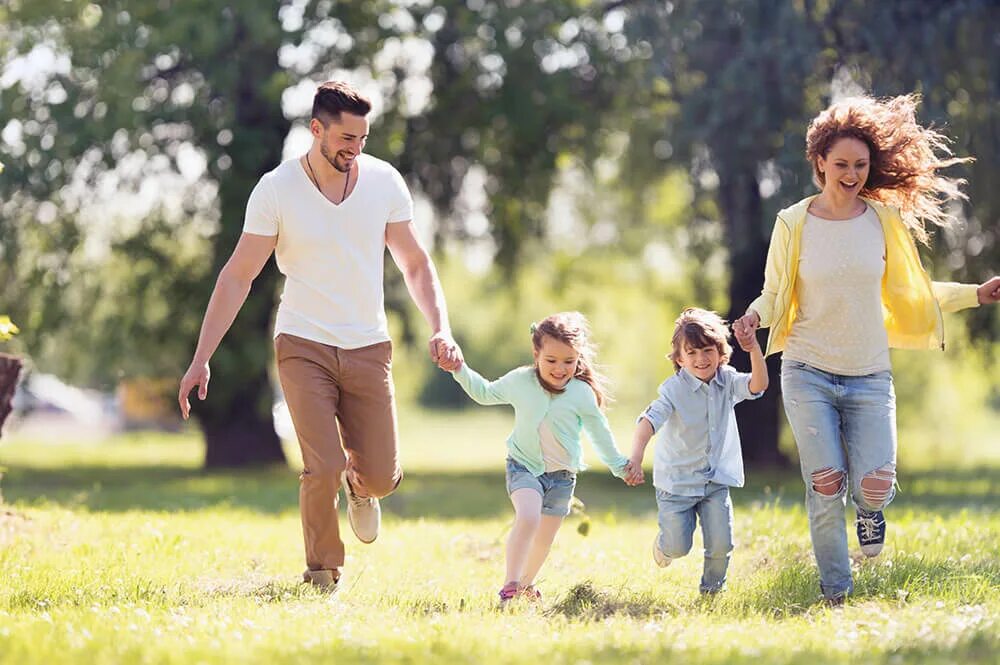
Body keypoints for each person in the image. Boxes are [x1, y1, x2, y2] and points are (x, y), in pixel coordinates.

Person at [177, 81, 462, 591]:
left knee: (379, 476)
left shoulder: (384, 183)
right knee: (321, 465)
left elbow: (416, 264)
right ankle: (322, 572)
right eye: (347, 138)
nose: (356, 149)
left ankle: (362, 485)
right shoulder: (276, 190)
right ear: (316, 129)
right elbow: (238, 275)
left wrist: (440, 326)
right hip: (302, 343)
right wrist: (201, 358)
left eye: (363, 139)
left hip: (368, 345)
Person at [733, 94, 1000, 603]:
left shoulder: (882, 221)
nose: (851, 173)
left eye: (860, 164)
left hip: (869, 374)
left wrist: (974, 294)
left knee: (873, 487)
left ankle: (871, 513)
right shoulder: (793, 222)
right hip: (807, 369)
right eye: (841, 164)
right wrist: (752, 319)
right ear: (819, 164)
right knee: (826, 483)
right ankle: (836, 592)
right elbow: (773, 295)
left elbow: (913, 293)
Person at [447, 312, 642, 606]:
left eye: (569, 361)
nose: (560, 368)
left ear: (579, 359)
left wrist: (619, 466)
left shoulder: (581, 393)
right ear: (536, 353)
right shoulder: (521, 381)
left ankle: (526, 584)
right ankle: (510, 584)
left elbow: (599, 433)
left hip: (562, 478)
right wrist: (458, 368)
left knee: (544, 540)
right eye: (551, 360)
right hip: (523, 466)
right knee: (527, 517)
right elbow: (485, 393)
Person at [628, 308, 767, 594]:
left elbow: (758, 385)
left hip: (715, 481)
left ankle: (712, 591)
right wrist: (636, 458)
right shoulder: (673, 390)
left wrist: (753, 348)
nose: (701, 359)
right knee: (679, 546)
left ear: (720, 352)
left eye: (707, 350)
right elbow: (647, 423)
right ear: (679, 359)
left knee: (721, 542)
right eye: (691, 353)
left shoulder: (726, 380)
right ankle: (666, 544)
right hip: (677, 484)